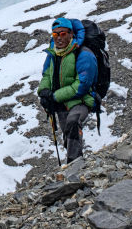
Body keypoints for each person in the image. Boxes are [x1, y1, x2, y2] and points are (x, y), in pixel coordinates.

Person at [37, 17, 98, 163]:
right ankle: (76, 165)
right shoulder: (53, 55)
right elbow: (47, 74)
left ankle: (74, 163)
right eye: (55, 34)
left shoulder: (83, 54)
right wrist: (43, 90)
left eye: (63, 34)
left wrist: (55, 96)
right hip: (61, 104)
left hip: (81, 100)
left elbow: (82, 85)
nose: (59, 38)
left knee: (73, 122)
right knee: (68, 135)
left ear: (71, 34)